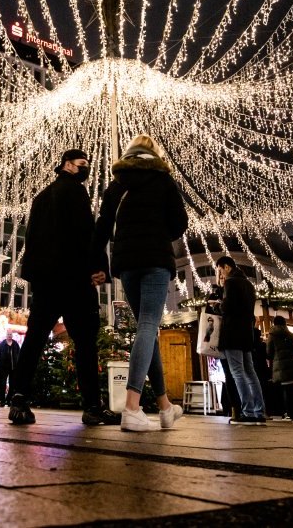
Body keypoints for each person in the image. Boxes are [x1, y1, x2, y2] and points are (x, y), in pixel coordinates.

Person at [9, 148, 116, 426]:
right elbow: (86, 233)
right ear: (67, 165)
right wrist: (98, 268)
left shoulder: (42, 196)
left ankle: (19, 398)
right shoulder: (76, 192)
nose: (86, 169)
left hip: (46, 281)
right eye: (82, 164)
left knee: (34, 339)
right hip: (74, 280)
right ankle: (92, 405)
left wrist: (32, 273)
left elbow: (30, 238)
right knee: (85, 343)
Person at [93, 134, 189, 432]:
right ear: (154, 154)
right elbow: (179, 224)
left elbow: (102, 228)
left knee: (147, 330)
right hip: (155, 261)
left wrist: (99, 264)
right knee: (148, 326)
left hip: (126, 264)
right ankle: (132, 407)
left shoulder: (116, 185)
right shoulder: (163, 181)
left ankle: (164, 407)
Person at [213, 256, 267, 425]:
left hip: (232, 334)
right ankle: (259, 411)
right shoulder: (248, 284)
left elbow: (228, 307)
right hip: (246, 335)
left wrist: (217, 305)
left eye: (220, 270)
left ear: (227, 267)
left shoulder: (231, 282)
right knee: (251, 373)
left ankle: (248, 411)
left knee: (237, 372)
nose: (220, 274)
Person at [266, 316, 293, 423]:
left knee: (287, 390)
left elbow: (269, 352)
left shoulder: (272, 335)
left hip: (280, 365)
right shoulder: (291, 335)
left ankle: (292, 414)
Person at [0, 332, 19, 406]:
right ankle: (2, 400)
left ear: (12, 336)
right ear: (6, 335)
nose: (9, 336)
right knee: (2, 384)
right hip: (3, 368)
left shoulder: (15, 344)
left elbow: (18, 354)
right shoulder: (2, 344)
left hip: (13, 368)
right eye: (8, 334)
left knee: (12, 384)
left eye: (10, 334)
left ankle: (9, 399)